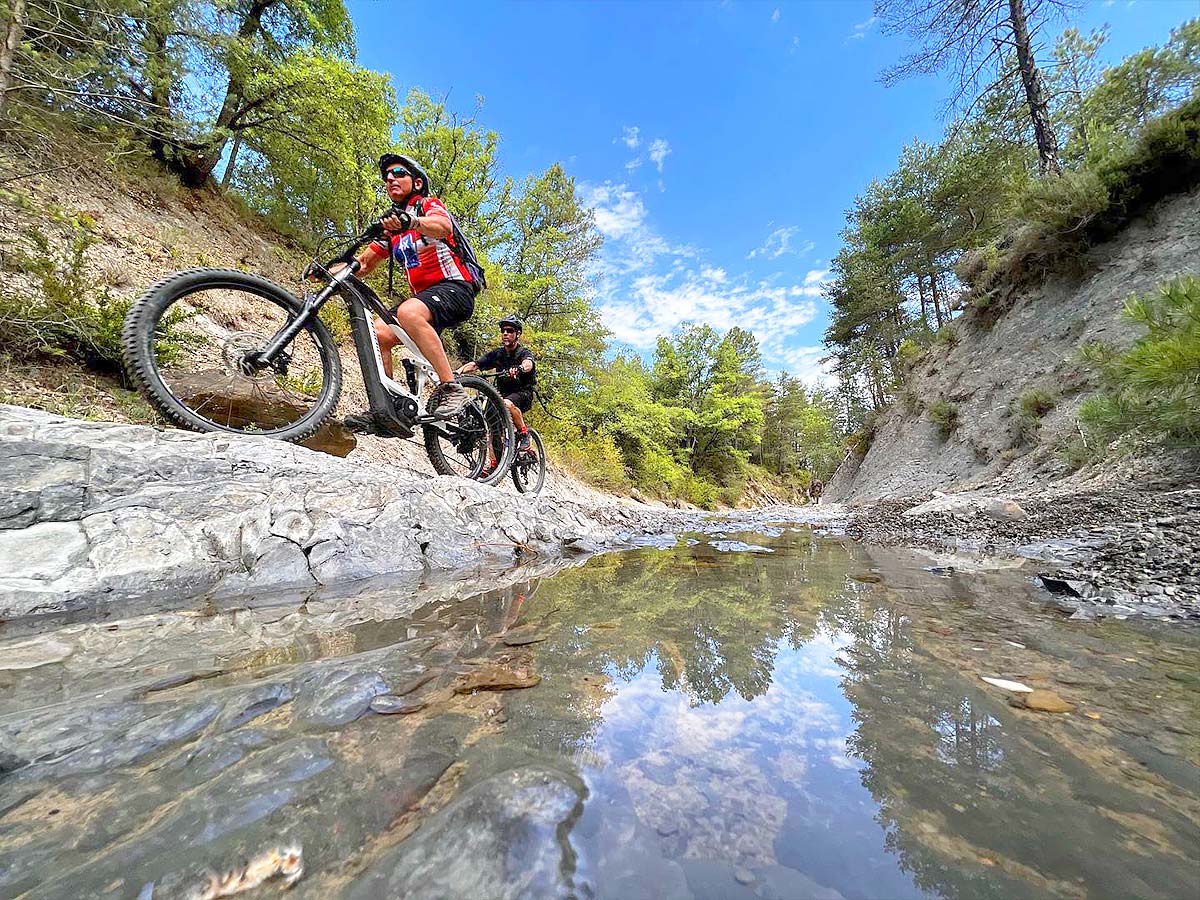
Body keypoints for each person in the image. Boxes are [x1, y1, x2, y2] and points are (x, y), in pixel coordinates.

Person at [340, 152, 480, 430]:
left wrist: (412, 221)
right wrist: (328, 273)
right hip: (425, 300)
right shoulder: (394, 230)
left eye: (398, 173)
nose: (390, 178)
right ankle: (387, 411)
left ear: (416, 183)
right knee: (377, 332)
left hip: (456, 289)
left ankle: (451, 387)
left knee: (408, 310)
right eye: (387, 176)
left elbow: (443, 227)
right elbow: (365, 263)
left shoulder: (428, 205)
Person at [457, 314, 536, 452]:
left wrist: (520, 368)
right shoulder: (498, 354)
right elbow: (475, 365)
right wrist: (457, 372)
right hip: (500, 395)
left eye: (510, 331)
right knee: (491, 428)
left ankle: (524, 434)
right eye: (503, 331)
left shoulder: (523, 352)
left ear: (518, 334)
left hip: (523, 393)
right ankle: (495, 465)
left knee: (507, 404)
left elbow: (528, 363)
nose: (505, 333)